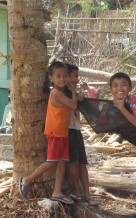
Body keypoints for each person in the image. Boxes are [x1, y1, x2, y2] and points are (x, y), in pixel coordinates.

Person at [19, 61, 77, 204]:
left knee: (63, 162)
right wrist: (74, 91)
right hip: (55, 134)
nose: (62, 79)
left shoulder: (62, 92)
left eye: (64, 76)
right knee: (52, 162)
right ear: (51, 78)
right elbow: (73, 105)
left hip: (63, 133)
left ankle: (57, 191)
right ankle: (27, 180)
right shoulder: (56, 93)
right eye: (58, 76)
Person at [66, 64, 99, 205]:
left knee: (82, 163)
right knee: (74, 163)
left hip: (76, 130)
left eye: (77, 77)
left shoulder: (76, 94)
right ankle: (77, 192)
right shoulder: (61, 94)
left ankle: (87, 194)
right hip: (67, 131)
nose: (77, 80)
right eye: (75, 76)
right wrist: (75, 94)